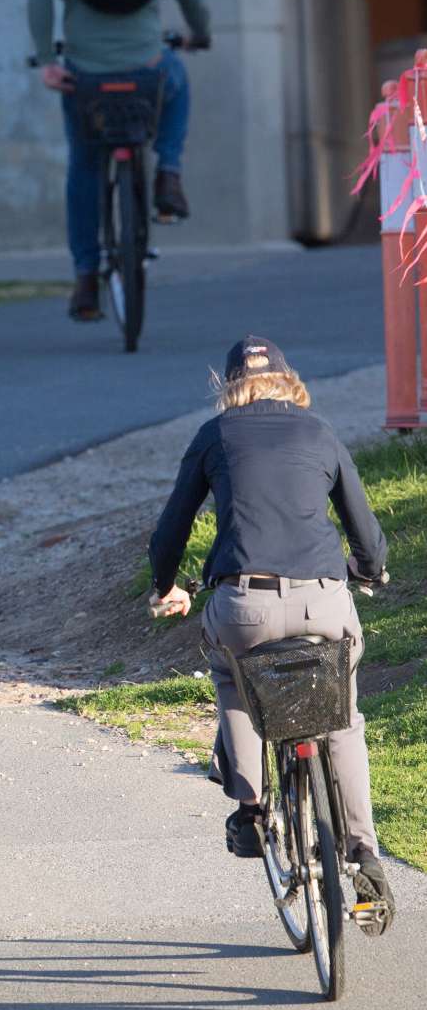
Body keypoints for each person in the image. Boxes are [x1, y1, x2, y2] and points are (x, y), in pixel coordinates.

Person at [148, 336, 395, 935]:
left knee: (232, 681)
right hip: (324, 602)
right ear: (289, 378)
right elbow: (361, 521)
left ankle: (252, 807)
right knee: (342, 718)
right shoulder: (319, 431)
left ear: (228, 385)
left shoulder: (215, 435)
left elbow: (172, 525)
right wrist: (370, 569)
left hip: (245, 604)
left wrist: (166, 585)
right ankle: (363, 854)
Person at [27, 0, 211, 320]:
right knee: (178, 80)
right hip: (148, 71)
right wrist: (200, 34)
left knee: (84, 165)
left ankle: (85, 278)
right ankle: (169, 173)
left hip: (86, 77)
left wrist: (47, 59)